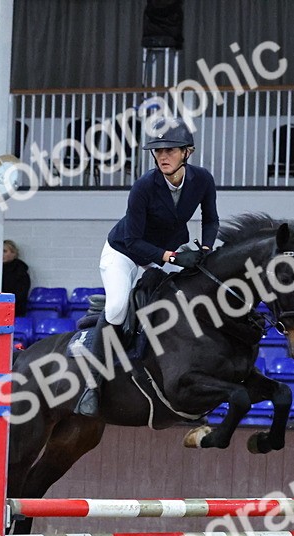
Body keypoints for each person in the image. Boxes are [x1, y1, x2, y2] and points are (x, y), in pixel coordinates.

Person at [69, 121, 219, 417]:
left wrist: (204, 249)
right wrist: (172, 258)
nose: (163, 156)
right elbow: (132, 240)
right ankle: (92, 385)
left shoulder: (202, 180)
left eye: (170, 150)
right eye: (158, 151)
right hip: (123, 252)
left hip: (166, 252)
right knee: (115, 308)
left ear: (187, 152)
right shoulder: (144, 186)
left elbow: (211, 219)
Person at [1, 239, 31, 316]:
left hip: (15, 310)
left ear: (13, 253)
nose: (1, 254)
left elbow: (21, 293)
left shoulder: (21, 270)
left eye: (4, 251)